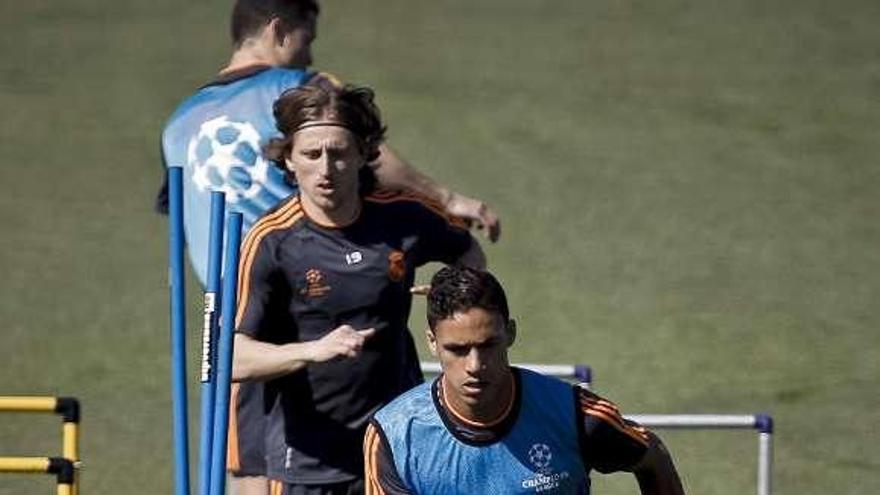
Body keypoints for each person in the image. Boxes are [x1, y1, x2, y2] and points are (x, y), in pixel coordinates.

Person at [156, 1, 499, 492]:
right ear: (279, 30)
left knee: (248, 468)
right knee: (270, 462)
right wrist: (447, 196)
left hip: (234, 299)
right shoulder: (302, 90)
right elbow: (383, 164)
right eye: (306, 39)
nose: (325, 167)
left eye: (337, 155)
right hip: (273, 331)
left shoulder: (178, 121)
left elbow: (178, 224)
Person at [232, 83, 486, 495]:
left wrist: (451, 297)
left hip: (395, 439)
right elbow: (233, 359)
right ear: (290, 160)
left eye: (338, 153)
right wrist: (312, 351)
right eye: (311, 155)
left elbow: (468, 251)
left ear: (364, 154)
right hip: (309, 460)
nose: (326, 169)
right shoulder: (270, 241)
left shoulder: (404, 217)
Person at [365, 267, 685, 495]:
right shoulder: (395, 436)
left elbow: (652, 455)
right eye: (458, 349)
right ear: (433, 343)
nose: (475, 365)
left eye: (488, 344)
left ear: (511, 333)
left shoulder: (574, 415)